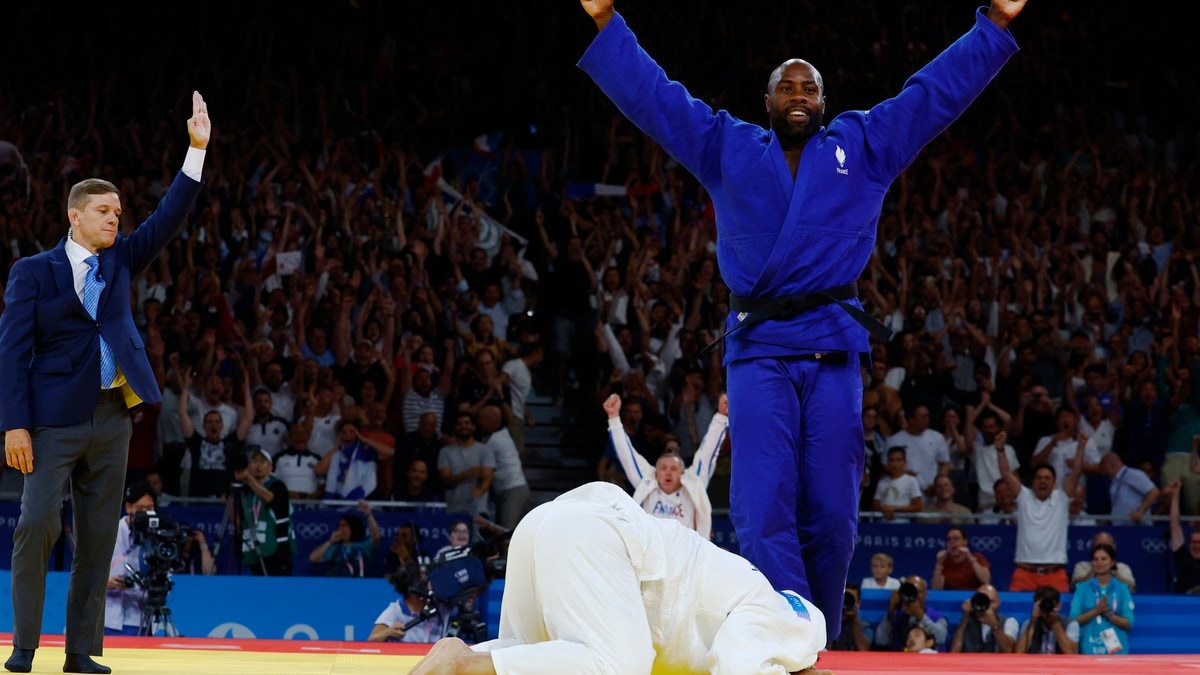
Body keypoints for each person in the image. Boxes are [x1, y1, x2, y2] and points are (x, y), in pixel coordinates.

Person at [576, 0, 1026, 641]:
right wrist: (605, 23)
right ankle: (782, 625)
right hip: (759, 349)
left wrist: (995, 28)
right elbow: (658, 98)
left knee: (836, 509)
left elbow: (929, 96)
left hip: (835, 350)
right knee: (762, 504)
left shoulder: (863, 145)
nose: (798, 95)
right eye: (786, 86)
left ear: (823, 100)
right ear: (766, 101)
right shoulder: (727, 145)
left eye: (808, 87)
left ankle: (821, 627)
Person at [1, 91, 209, 675]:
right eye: (104, 211)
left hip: (113, 415)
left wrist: (195, 151)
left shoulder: (121, 260)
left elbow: (169, 216)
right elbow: (11, 354)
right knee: (36, 527)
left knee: (96, 539)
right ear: (74, 215)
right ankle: (22, 646)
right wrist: (14, 424)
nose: (116, 218)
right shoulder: (32, 272)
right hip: (50, 421)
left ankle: (79, 653)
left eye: (119, 212)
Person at [409, 481, 828, 675]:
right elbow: (737, 667)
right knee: (620, 667)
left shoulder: (757, 595)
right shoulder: (781, 618)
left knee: (531, 652)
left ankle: (459, 654)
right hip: (594, 536)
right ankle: (462, 662)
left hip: (547, 521)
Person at [606, 392, 728, 538]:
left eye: (674, 468)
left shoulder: (695, 483)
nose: (668, 472)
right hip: (652, 556)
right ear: (655, 473)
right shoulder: (646, 481)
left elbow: (707, 453)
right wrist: (613, 418)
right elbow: (627, 455)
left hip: (687, 557)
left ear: (683, 474)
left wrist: (721, 417)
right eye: (663, 468)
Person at [998, 431, 1085, 592]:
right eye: (1039, 478)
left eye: (1047, 478)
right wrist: (1000, 450)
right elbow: (1005, 473)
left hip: (1054, 574)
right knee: (1014, 616)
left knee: (1059, 616)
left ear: (1054, 482)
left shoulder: (1061, 498)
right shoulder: (1024, 496)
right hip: (1024, 574)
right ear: (1033, 481)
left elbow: (1076, 472)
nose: (1042, 481)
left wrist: (1081, 446)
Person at [103, 483, 158, 637]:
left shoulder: (157, 537)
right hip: (110, 618)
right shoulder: (108, 533)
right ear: (128, 507)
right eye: (141, 508)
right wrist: (105, 583)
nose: (146, 513)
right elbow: (84, 574)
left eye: (150, 508)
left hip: (142, 619)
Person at [234, 448, 296, 576]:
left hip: (277, 549)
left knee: (278, 589)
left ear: (270, 467)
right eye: (254, 461)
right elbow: (226, 502)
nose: (258, 465)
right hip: (254, 547)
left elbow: (269, 498)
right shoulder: (245, 490)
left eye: (263, 461)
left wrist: (248, 479)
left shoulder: (278, 485)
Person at [1069, 542, 1134, 655]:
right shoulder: (1081, 588)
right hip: (1088, 650)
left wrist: (1108, 614)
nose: (1099, 563)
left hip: (1117, 653)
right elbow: (1073, 620)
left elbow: (1128, 622)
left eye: (1104, 559)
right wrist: (1096, 611)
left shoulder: (1122, 589)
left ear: (1112, 562)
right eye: (1096, 559)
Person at [478, 404, 530, 531]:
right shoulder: (503, 434)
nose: (478, 421)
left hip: (512, 491)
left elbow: (477, 459)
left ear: (492, 420)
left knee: (505, 532)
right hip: (513, 490)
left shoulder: (494, 441)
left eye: (481, 418)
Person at [438, 411, 496, 519]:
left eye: (467, 423)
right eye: (459, 424)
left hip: (478, 510)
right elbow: (446, 481)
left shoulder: (485, 450)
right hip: (453, 508)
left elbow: (488, 476)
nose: (463, 426)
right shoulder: (445, 452)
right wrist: (468, 473)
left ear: (473, 427)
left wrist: (481, 489)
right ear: (455, 428)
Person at [368, 566, 449, 644]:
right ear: (414, 590)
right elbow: (371, 640)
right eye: (424, 583)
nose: (429, 587)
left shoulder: (442, 608)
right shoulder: (396, 611)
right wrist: (388, 632)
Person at [307, 501, 382, 577]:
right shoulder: (335, 549)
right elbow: (313, 558)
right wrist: (330, 541)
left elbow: (376, 537)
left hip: (359, 585)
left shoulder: (364, 546)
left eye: (344, 526)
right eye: (340, 526)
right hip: (337, 584)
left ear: (354, 527)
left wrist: (368, 514)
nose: (341, 529)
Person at [873, 575, 948, 652]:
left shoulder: (937, 617)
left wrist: (920, 615)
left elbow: (940, 639)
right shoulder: (896, 615)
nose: (915, 596)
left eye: (918, 592)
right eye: (910, 591)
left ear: (925, 594)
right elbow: (881, 640)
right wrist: (891, 610)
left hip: (930, 660)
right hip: (900, 659)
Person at [949, 583, 1018, 653]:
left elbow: (1010, 651)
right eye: (982, 601)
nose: (987, 606)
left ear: (998, 603)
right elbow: (954, 651)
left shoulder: (1009, 622)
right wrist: (965, 618)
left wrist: (994, 625)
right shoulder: (967, 621)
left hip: (997, 663)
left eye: (991, 602)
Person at [1099, 451, 1161, 525]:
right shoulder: (1115, 482)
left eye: (1103, 468)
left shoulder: (1132, 474)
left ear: (1112, 465)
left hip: (1138, 527)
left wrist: (1139, 512)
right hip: (1121, 527)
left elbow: (1154, 491)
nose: (1103, 472)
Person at [1015, 586, 1079, 654]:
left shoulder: (1071, 624)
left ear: (1059, 605)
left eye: (1050, 604)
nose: (1047, 607)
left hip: (1061, 664)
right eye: (1043, 604)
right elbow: (1019, 653)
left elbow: (1071, 653)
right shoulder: (1029, 623)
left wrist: (1055, 624)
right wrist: (1033, 623)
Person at [1070, 531, 1136, 592]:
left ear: (1114, 549)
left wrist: (1113, 571)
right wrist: (1095, 569)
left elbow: (1131, 589)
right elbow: (1076, 588)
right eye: (1098, 547)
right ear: (1092, 549)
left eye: (1107, 547)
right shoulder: (1082, 566)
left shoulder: (1122, 568)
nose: (1102, 550)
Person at [871, 446, 923, 522]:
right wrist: (885, 508)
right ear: (888, 463)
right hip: (882, 526)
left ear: (904, 462)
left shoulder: (911, 481)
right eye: (892, 460)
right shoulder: (882, 482)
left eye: (899, 460)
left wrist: (895, 508)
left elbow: (917, 506)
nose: (895, 464)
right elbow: (875, 504)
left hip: (902, 525)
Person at [931, 526, 992, 591]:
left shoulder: (977, 557)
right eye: (949, 539)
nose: (952, 542)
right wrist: (939, 563)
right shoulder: (944, 561)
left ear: (965, 542)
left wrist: (970, 558)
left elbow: (986, 580)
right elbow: (936, 589)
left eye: (956, 539)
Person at [1165, 480, 1200, 593]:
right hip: (1183, 602)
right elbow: (1175, 523)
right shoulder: (1182, 556)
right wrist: (1176, 494)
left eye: (1199, 542)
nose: (1196, 545)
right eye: (1193, 542)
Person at [829, 584, 872, 652]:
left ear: (858, 602)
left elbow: (864, 649)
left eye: (850, 599)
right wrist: (833, 618)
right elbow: (825, 651)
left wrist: (853, 620)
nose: (846, 602)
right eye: (844, 599)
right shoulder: (827, 621)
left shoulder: (865, 625)